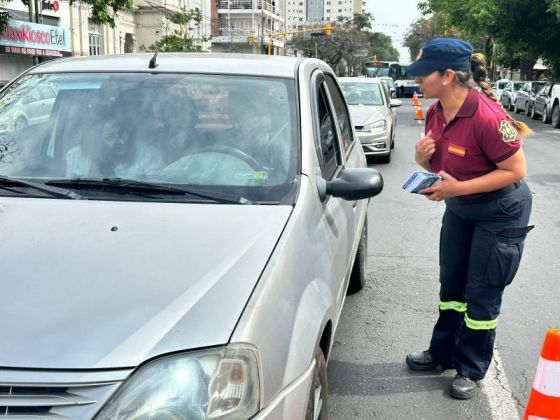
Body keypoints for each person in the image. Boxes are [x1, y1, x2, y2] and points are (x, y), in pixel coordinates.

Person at [404, 38, 534, 400]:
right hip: (461, 207)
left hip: (500, 211)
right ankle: (442, 352)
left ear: (447, 75)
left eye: (422, 73)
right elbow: (441, 169)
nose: (416, 80)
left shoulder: (487, 116)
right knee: (452, 285)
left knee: (481, 292)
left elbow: (515, 170)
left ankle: (471, 368)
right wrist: (421, 162)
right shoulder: (434, 112)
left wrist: (456, 189)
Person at [66, 117, 164, 179]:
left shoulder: (148, 154)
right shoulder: (75, 157)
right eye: (110, 137)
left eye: (122, 133)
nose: (121, 141)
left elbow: (160, 189)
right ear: (96, 141)